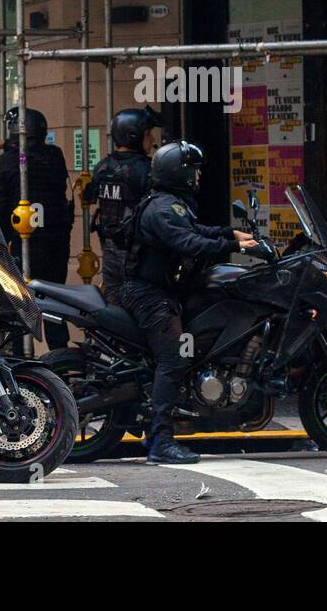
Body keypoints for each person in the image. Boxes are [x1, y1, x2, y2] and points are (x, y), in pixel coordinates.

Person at [124, 140, 258, 465]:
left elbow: (195, 229)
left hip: (162, 291)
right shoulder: (162, 208)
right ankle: (160, 442)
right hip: (150, 296)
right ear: (180, 173)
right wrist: (230, 244)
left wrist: (232, 234)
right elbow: (187, 241)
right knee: (173, 359)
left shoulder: (171, 204)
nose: (198, 177)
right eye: (194, 170)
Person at [0, 107, 74, 349]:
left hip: (24, 243)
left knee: (20, 302)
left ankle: (20, 354)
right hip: (56, 243)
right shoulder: (55, 156)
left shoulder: (5, 163)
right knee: (56, 298)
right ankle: (61, 354)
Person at [83, 106, 163, 304]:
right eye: (148, 134)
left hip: (110, 251)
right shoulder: (145, 170)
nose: (152, 140)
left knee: (114, 307)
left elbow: (87, 197)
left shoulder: (102, 167)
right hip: (139, 256)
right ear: (134, 136)